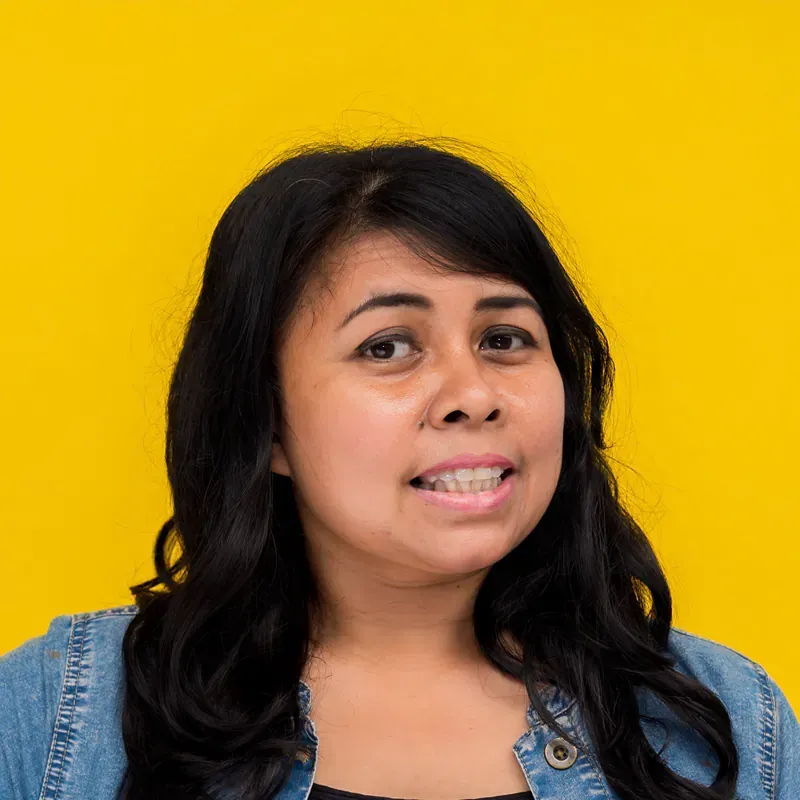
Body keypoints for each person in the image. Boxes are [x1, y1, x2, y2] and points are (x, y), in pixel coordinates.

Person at [1, 138, 797, 800]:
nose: (472, 395)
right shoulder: (55, 719)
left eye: (505, 339)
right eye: (387, 347)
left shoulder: (727, 720)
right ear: (267, 424)